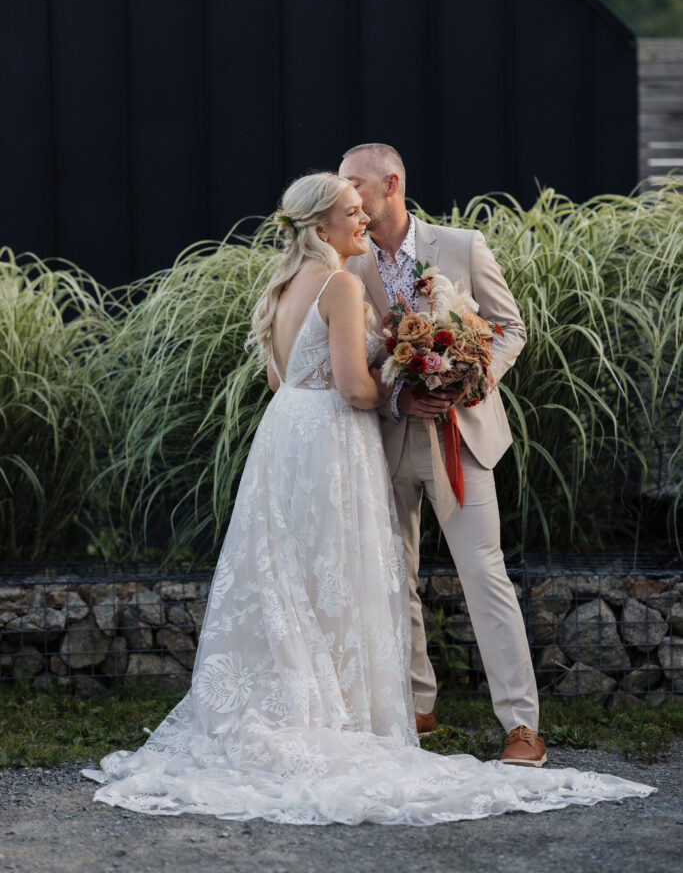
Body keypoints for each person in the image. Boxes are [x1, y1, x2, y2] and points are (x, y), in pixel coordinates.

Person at [83, 172, 653, 824]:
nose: (362, 221)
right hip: (332, 439)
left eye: (363, 207)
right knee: (340, 577)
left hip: (286, 442)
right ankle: (341, 716)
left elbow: (280, 378)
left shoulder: (276, 287)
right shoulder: (342, 283)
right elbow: (354, 388)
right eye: (350, 213)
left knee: (294, 579)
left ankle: (305, 709)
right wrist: (397, 391)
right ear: (321, 226)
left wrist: (444, 368)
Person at [341, 143, 539, 764]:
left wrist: (473, 378)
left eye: (355, 184)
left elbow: (511, 329)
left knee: (485, 575)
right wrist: (397, 400)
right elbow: (354, 362)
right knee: (393, 578)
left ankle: (522, 725)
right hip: (385, 437)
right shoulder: (344, 266)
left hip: (462, 438)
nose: (347, 196)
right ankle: (415, 706)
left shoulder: (461, 246)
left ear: (390, 183)